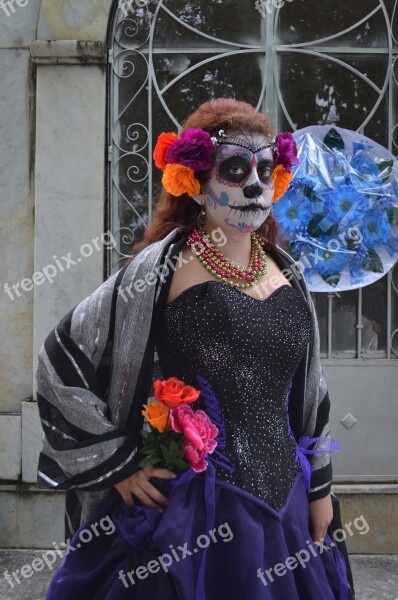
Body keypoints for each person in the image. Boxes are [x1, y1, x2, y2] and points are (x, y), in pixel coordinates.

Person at [36, 98, 355, 599]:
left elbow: (311, 395)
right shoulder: (158, 270)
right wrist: (119, 466)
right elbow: (60, 359)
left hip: (289, 513)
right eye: (234, 169)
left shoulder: (286, 272)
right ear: (197, 183)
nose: (254, 184)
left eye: (266, 170)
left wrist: (321, 489)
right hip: (192, 515)